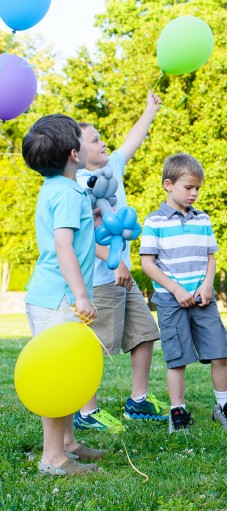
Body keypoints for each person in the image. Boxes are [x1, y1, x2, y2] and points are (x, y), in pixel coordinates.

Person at [73, 91, 168, 432]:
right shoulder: (79, 185)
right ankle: (86, 411)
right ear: (76, 152)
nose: (102, 143)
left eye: (100, 138)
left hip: (121, 276)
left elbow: (132, 140)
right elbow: (82, 237)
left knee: (144, 333)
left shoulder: (112, 168)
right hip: (100, 278)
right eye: (93, 140)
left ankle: (138, 401)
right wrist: (116, 263)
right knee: (95, 346)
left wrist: (149, 110)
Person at [22, 114, 104, 475]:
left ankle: (68, 443)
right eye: (83, 140)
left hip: (46, 294)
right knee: (57, 374)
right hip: (59, 299)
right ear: (74, 153)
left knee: (66, 370)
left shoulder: (55, 187)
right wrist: (81, 296)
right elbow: (63, 245)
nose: (89, 144)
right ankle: (53, 457)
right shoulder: (69, 193)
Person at [140, 154, 227, 433]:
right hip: (170, 301)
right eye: (189, 187)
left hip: (202, 299)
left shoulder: (203, 219)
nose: (194, 193)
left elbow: (211, 257)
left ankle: (223, 408)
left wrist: (207, 285)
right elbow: (147, 263)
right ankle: (178, 413)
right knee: (178, 358)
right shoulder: (154, 221)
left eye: (198, 188)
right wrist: (175, 289)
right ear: (168, 185)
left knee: (219, 352)